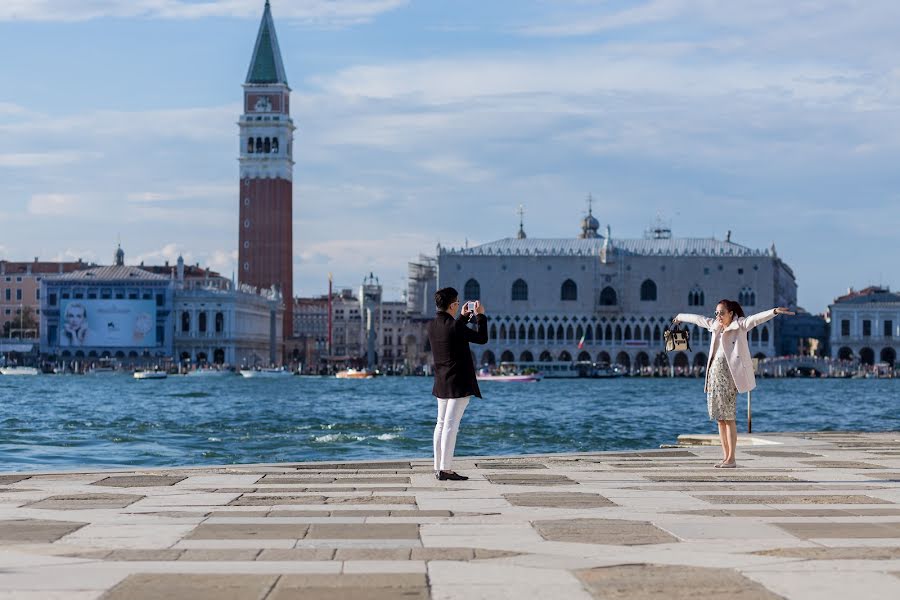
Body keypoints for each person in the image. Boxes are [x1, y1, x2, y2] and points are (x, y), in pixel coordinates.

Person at [675, 301, 795, 468]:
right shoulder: (715, 325)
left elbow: (755, 319)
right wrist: (680, 317)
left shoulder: (740, 325)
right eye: (717, 313)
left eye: (722, 313)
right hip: (715, 378)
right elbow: (698, 319)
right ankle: (725, 457)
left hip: (729, 378)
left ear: (731, 313)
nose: (718, 316)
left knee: (729, 417)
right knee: (720, 419)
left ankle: (732, 458)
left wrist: (774, 311)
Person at [426, 287, 488, 481]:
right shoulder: (455, 326)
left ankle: (439, 467)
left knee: (441, 424)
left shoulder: (432, 325)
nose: (459, 305)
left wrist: (462, 318)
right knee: (451, 426)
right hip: (458, 383)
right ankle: (445, 469)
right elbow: (482, 338)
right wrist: (480, 317)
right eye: (458, 303)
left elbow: (452, 332)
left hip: (442, 382)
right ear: (453, 305)